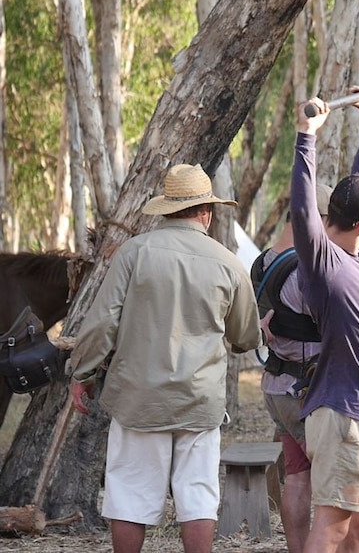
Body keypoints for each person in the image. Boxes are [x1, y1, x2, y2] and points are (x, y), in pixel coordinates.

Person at [68, 163, 262, 553]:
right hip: (199, 401)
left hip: (139, 399)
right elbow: (245, 338)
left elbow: (102, 321)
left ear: (166, 209)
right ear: (205, 212)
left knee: (129, 495)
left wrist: (82, 373)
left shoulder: (134, 253)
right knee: (198, 497)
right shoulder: (228, 262)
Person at [291, 91, 359, 553]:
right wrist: (305, 139)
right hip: (342, 414)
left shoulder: (357, 254)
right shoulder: (324, 263)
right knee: (334, 526)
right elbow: (301, 212)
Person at [257, 182, 332, 553]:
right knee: (331, 484)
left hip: (277, 385)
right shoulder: (309, 269)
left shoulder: (267, 259)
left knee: (298, 478)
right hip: (307, 391)